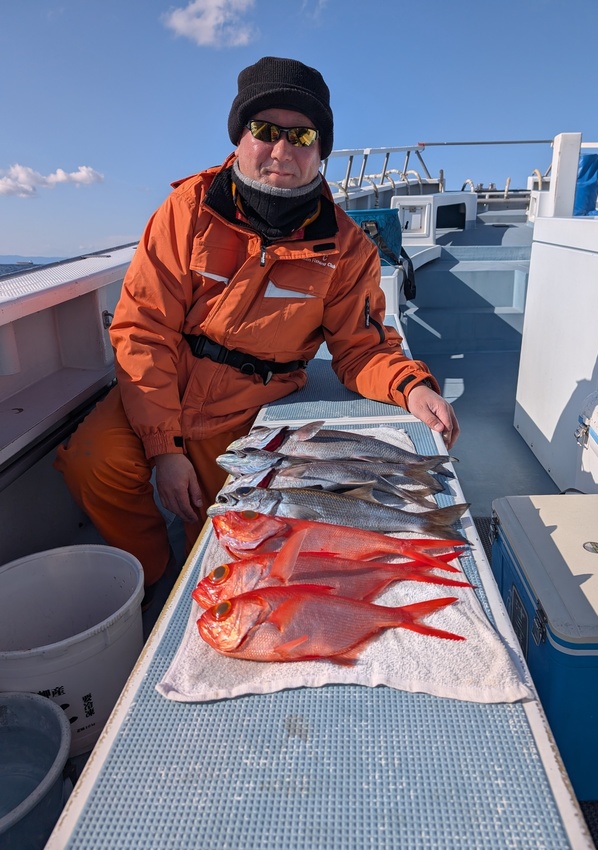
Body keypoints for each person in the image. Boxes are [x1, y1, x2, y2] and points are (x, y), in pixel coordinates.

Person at [55, 56, 459, 596]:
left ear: (321, 150)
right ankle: (152, 579)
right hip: (162, 383)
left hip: (250, 406)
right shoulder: (186, 210)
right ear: (240, 137)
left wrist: (410, 387)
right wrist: (165, 448)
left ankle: (200, 586)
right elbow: (144, 329)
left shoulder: (347, 249)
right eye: (266, 130)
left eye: (302, 134)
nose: (282, 149)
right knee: (93, 464)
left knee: (236, 538)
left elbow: (360, 349)